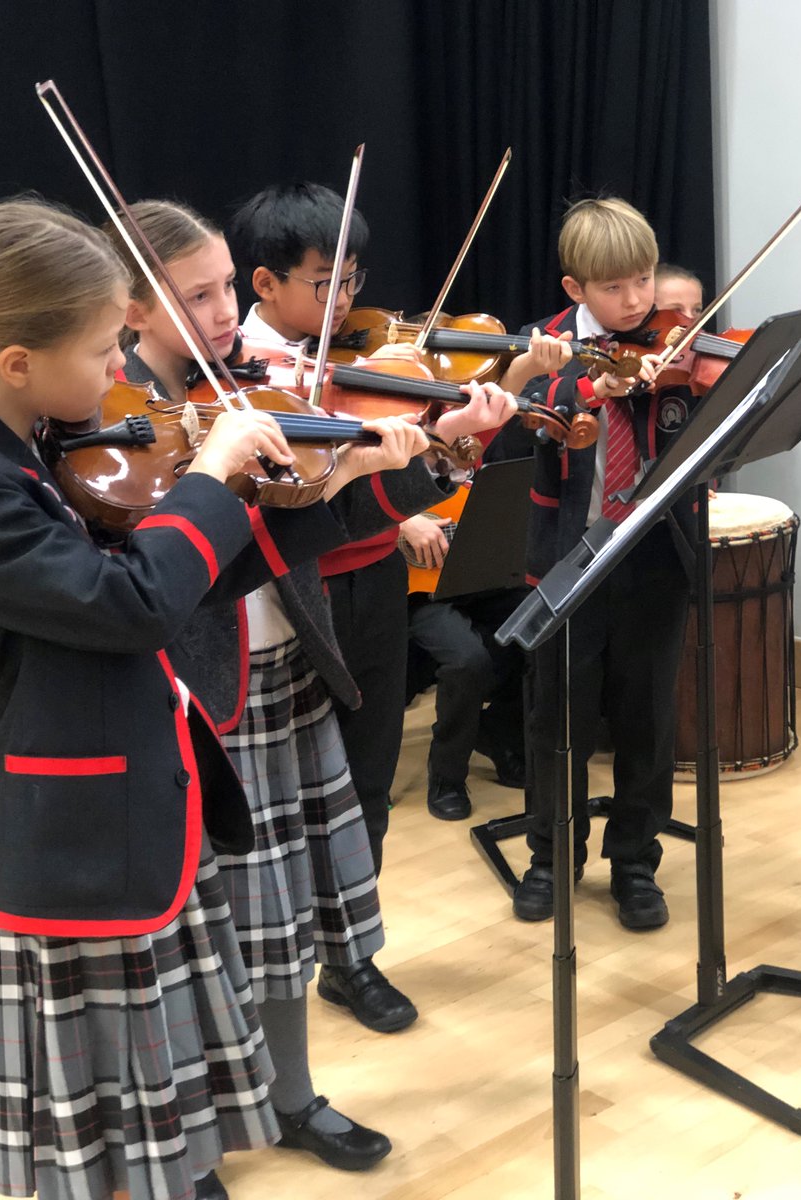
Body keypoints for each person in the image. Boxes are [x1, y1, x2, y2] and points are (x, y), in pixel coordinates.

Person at [0, 198, 367, 1200]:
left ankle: (180, 1175)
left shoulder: (36, 443)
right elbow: (132, 600)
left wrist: (355, 479)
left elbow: (195, 579)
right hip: (78, 834)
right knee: (107, 1096)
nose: (115, 373)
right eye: (103, 351)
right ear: (17, 361)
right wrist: (214, 474)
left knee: (162, 1093)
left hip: (137, 799)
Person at [115, 198, 515, 1169]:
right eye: (198, 294)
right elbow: (155, 577)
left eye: (223, 290)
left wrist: (441, 451)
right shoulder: (112, 425)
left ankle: (290, 1098)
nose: (222, 315)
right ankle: (193, 1144)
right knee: (194, 939)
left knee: (288, 910)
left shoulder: (253, 388)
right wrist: (216, 471)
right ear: (128, 306)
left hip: (288, 662)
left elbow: (325, 520)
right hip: (195, 699)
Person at [229, 182, 530, 1033]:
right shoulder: (239, 377)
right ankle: (267, 963)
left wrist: (452, 444)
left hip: (372, 586)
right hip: (297, 595)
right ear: (265, 283)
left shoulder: (360, 363)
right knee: (282, 797)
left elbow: (388, 495)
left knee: (364, 778)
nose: (350, 303)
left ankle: (350, 954)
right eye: (328, 282)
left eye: (355, 279)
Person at [496, 196, 697, 931]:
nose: (637, 300)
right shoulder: (542, 346)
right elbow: (524, 411)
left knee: (647, 716)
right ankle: (550, 856)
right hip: (566, 560)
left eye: (644, 281)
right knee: (557, 715)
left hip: (653, 556)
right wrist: (586, 385)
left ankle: (636, 863)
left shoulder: (673, 342)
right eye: (615, 288)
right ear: (575, 290)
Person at [401, 479, 529, 821]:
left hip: (481, 575)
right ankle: (447, 776)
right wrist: (401, 521)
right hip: (418, 590)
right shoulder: (384, 429)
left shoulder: (490, 433)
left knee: (542, 627)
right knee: (466, 660)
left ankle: (495, 732)